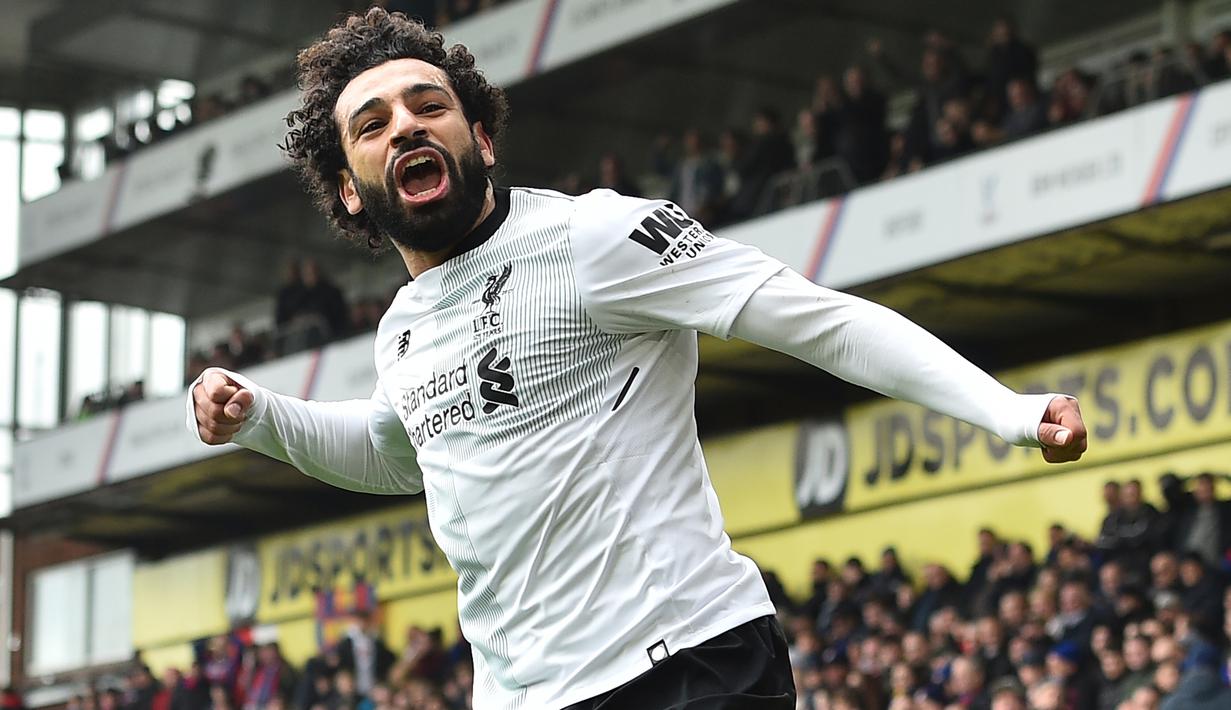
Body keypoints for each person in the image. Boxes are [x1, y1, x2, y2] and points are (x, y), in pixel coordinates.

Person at [187, 9, 1088, 709]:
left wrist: (1007, 412)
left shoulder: (594, 237)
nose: (407, 129)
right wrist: (259, 418)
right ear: (349, 188)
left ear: (482, 139)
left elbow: (820, 321)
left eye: (431, 107)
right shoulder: (402, 328)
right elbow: (398, 452)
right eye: (373, 124)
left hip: (683, 667)